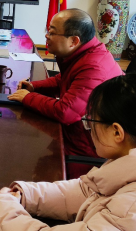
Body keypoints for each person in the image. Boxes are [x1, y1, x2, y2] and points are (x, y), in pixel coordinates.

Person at [0, 74, 136, 231]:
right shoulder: (123, 168)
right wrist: (25, 194)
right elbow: (85, 191)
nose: (89, 129)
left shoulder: (128, 211)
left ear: (117, 132)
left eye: (91, 122)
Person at [9, 9, 123, 177]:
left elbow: (67, 112)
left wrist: (28, 98)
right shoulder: (85, 53)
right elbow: (65, 79)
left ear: (74, 41)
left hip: (90, 150)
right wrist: (34, 87)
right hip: (82, 134)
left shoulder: (94, 66)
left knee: (19, 154)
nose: (47, 36)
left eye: (52, 32)